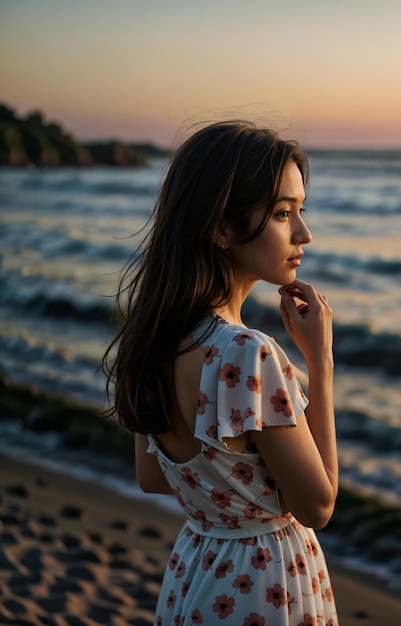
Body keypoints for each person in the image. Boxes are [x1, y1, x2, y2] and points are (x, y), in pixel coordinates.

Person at [103, 121, 338, 625]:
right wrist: (320, 362)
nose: (304, 233)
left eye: (300, 211)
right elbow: (318, 506)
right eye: (282, 213)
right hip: (266, 581)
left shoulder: (154, 337)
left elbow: (152, 475)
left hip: (200, 568)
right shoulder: (248, 353)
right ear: (223, 227)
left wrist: (230, 503)